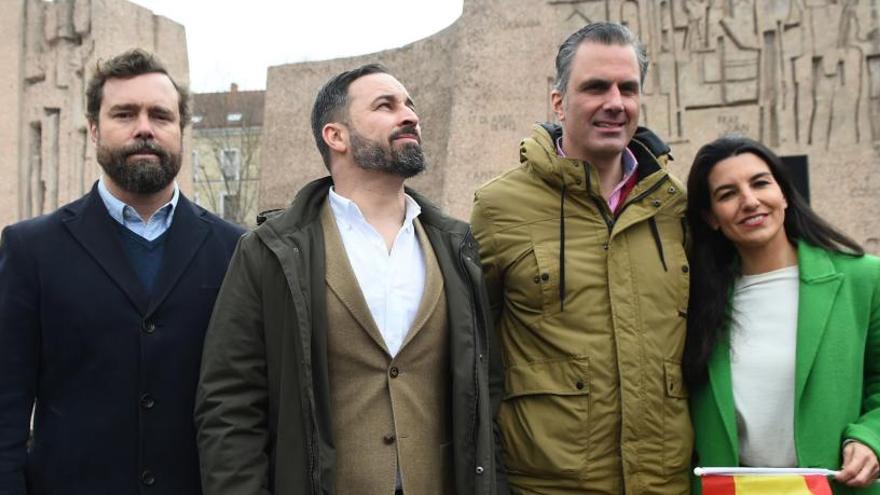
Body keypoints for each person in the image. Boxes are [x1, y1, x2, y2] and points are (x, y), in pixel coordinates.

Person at [195, 64, 505, 494]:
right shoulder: (270, 251)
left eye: (409, 105)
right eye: (386, 106)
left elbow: (487, 390)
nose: (410, 116)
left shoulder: (455, 247)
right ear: (336, 136)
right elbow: (230, 402)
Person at [0, 49, 244, 494]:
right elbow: (7, 405)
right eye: (125, 114)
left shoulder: (236, 251)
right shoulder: (30, 250)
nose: (144, 128)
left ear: (181, 129)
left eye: (161, 115)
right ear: (94, 129)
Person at [470, 22, 691, 494]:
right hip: (546, 486)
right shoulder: (498, 208)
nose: (615, 102)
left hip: (663, 484)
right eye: (595, 87)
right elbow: (472, 352)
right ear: (558, 101)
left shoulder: (673, 205)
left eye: (628, 88)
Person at [685, 135, 880, 493]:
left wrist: (870, 437)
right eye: (727, 194)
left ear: (784, 194)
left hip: (836, 486)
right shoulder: (695, 299)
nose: (749, 201)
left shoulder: (864, 279)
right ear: (711, 217)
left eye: (760, 183)